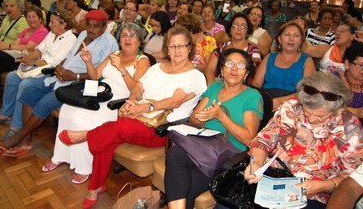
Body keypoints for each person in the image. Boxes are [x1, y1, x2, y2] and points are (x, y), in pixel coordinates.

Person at [57, 26, 207, 208]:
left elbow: (175, 101)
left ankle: (86, 136)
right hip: (140, 117)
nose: (176, 51)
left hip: (164, 129)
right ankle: (95, 187)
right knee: (109, 136)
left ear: (189, 48)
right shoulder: (157, 68)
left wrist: (147, 106)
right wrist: (132, 101)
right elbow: (138, 87)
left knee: (117, 128)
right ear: (166, 48)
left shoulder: (195, 76)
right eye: (172, 46)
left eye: (181, 46)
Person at [0, 10, 119, 156]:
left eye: (96, 26)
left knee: (44, 103)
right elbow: (69, 57)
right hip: (62, 76)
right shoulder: (82, 35)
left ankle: (16, 139)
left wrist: (73, 76)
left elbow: (100, 75)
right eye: (89, 25)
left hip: (80, 84)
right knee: (28, 90)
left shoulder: (110, 43)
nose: (91, 29)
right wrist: (60, 68)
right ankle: (26, 142)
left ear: (105, 26)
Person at [42, 23, 151, 184]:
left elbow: (137, 90)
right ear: (119, 39)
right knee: (67, 109)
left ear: (139, 41)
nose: (128, 39)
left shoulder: (142, 61)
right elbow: (95, 76)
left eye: (132, 36)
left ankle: (84, 167)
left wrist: (122, 69)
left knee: (81, 118)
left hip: (118, 101)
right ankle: (61, 155)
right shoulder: (114, 54)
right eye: (124, 35)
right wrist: (88, 61)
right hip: (100, 93)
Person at [244, 71, 363, 209]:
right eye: (307, 112)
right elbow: (263, 141)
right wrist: (257, 163)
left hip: (314, 192)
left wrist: (324, 186)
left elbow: (352, 179)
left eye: (320, 117)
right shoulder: (290, 109)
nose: (311, 119)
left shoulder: (350, 128)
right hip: (274, 177)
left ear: (337, 109)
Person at [165, 48, 262, 209]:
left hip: (228, 157)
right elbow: (194, 120)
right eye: (229, 63)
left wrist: (221, 116)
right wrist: (202, 117)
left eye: (240, 65)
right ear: (222, 69)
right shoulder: (215, 87)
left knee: (184, 190)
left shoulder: (252, 96)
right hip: (202, 144)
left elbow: (249, 139)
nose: (234, 68)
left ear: (246, 74)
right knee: (175, 154)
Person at [0, 8, 76, 139]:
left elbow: (55, 62)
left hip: (50, 72)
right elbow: (39, 49)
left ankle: (16, 126)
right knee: (11, 77)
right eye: (50, 22)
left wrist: (33, 63)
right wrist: (30, 59)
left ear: (64, 24)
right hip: (38, 66)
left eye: (53, 22)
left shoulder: (70, 40)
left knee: (25, 85)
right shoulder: (52, 34)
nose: (49, 25)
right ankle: (5, 114)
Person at [252, 21, 316, 109]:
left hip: (293, 103)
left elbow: (308, 91)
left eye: (296, 36)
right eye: (287, 35)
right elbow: (256, 84)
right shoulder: (269, 57)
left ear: (300, 41)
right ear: (279, 39)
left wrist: (282, 100)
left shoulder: (307, 61)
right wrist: (261, 99)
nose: (291, 39)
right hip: (266, 100)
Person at [205, 13, 261, 86]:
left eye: (243, 26)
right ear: (230, 30)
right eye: (235, 25)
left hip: (243, 89)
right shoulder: (221, 47)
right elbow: (209, 70)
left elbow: (254, 76)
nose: (239, 28)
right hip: (218, 85)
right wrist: (212, 88)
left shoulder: (253, 50)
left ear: (247, 31)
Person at [334, 41, 363, 121]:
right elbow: (322, 106)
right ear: (347, 63)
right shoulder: (333, 80)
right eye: (360, 65)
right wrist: (353, 111)